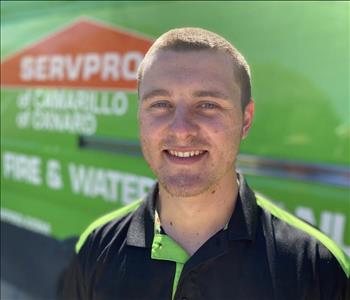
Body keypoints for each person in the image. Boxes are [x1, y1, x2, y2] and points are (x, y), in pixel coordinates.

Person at [60, 27, 349, 300]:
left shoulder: (315, 266)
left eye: (208, 105)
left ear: (245, 120)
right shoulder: (96, 248)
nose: (182, 129)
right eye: (160, 104)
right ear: (140, 117)